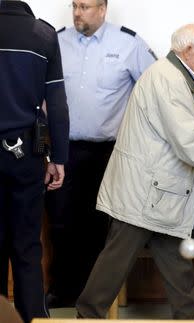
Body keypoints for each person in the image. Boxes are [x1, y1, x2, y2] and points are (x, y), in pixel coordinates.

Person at [76, 23, 194, 319]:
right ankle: (86, 318)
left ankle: (190, 318)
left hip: (161, 196)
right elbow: (189, 143)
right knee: (112, 269)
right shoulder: (168, 80)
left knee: (179, 269)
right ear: (187, 51)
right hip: (142, 195)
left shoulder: (178, 80)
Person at [44, 0, 158, 307]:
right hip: (63, 151)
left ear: (103, 9)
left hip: (108, 152)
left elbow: (159, 86)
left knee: (100, 225)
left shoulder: (127, 43)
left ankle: (95, 296)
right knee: (61, 222)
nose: (78, 12)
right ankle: (64, 290)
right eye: (75, 6)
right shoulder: (56, 41)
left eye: (86, 6)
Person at [0, 1, 69, 322]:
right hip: (25, 154)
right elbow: (56, 103)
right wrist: (60, 159)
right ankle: (33, 319)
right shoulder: (42, 33)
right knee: (27, 247)